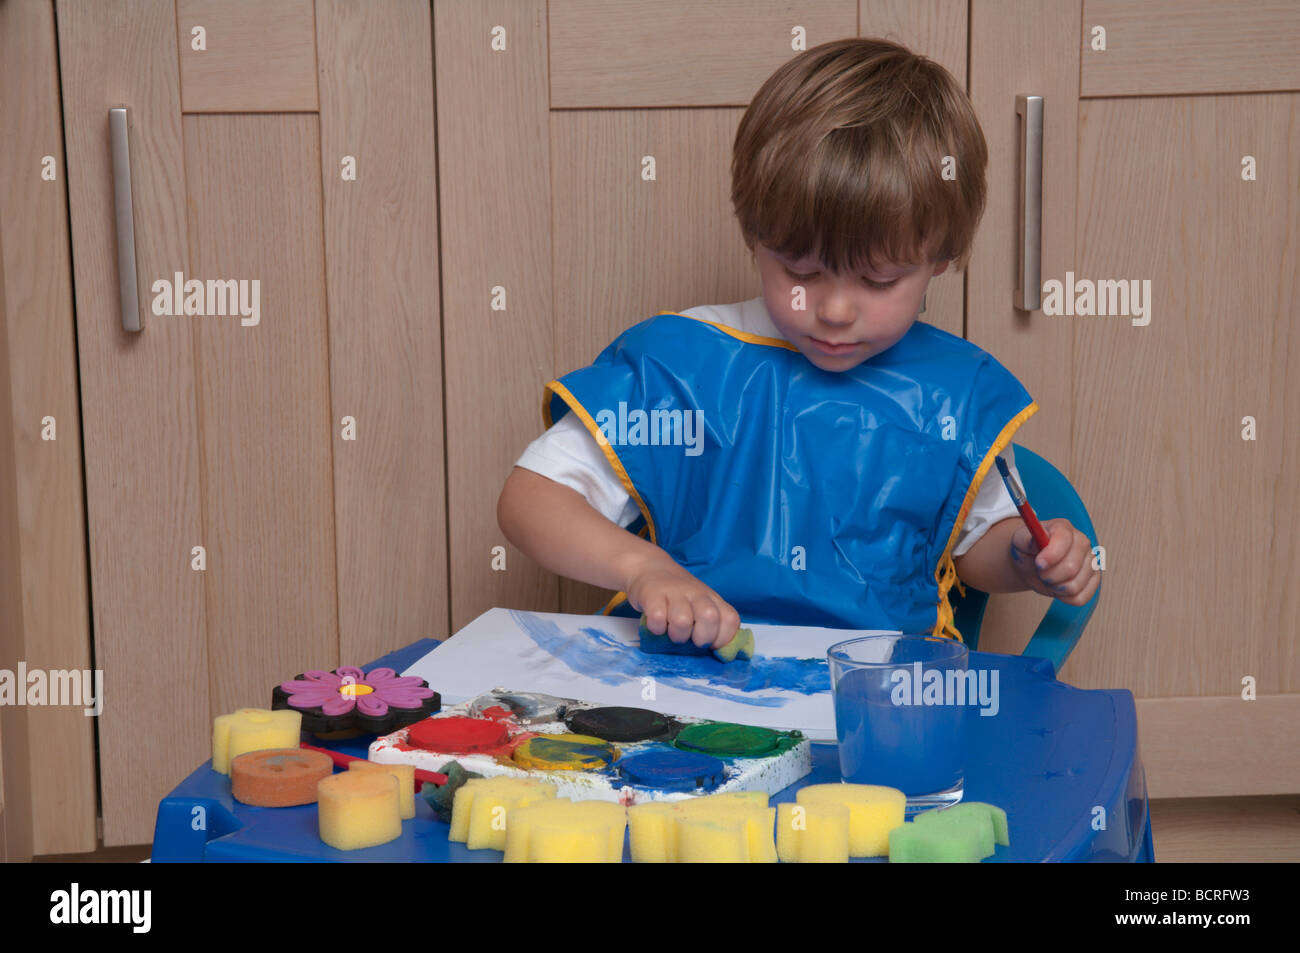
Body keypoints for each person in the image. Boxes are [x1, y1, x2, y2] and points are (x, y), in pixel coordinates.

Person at [497, 37, 1100, 654]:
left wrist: (1027, 560)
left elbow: (976, 549)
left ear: (941, 258)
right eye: (801, 272)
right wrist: (641, 568)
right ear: (755, 234)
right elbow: (530, 499)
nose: (834, 310)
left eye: (879, 280)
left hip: (881, 703)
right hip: (688, 697)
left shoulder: (955, 391)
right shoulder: (682, 365)